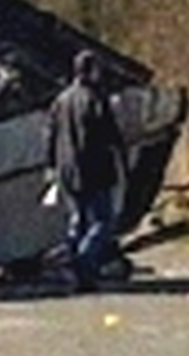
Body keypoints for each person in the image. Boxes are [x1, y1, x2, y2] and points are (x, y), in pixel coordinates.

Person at [46, 50, 128, 291]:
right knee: (103, 221)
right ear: (91, 71)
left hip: (66, 170)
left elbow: (49, 134)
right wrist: (120, 155)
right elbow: (110, 133)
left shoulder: (61, 101)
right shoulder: (95, 99)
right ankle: (82, 262)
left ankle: (77, 272)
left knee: (78, 220)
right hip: (93, 168)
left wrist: (51, 165)